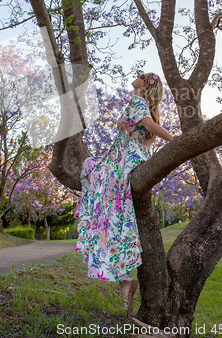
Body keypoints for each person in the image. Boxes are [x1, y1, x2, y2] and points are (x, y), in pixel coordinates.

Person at [75, 73, 174, 317]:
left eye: (141, 76)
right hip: (125, 158)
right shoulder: (138, 104)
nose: (136, 77)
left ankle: (123, 277)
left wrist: (175, 141)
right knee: (117, 217)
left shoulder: (137, 103)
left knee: (97, 185)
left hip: (124, 161)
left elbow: (150, 127)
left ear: (145, 84)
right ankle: (125, 286)